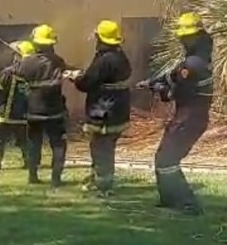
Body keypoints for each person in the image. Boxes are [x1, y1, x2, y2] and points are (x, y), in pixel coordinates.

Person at [136, 12, 213, 215]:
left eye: (186, 37)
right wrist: (153, 82)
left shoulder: (192, 64)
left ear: (196, 36)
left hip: (189, 117)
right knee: (164, 157)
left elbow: (174, 91)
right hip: (190, 116)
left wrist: (160, 89)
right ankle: (169, 200)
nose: (183, 40)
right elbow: (171, 77)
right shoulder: (196, 60)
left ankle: (187, 204)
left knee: (167, 159)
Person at [74, 20, 131, 195]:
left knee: (101, 148)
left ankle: (102, 186)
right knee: (103, 147)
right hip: (118, 110)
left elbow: (87, 83)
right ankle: (97, 177)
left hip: (104, 111)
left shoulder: (104, 60)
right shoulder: (119, 55)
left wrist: (76, 78)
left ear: (100, 38)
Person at [16, 24, 74, 187]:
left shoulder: (27, 62)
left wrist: (23, 59)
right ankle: (56, 179)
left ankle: (32, 176)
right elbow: (66, 70)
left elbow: (18, 73)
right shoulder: (57, 61)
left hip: (34, 111)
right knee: (58, 144)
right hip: (54, 111)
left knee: (34, 143)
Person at [0, 40, 36, 170]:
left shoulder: (10, 71)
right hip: (25, 115)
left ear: (18, 55)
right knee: (25, 140)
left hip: (6, 113)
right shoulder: (34, 73)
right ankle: (30, 160)